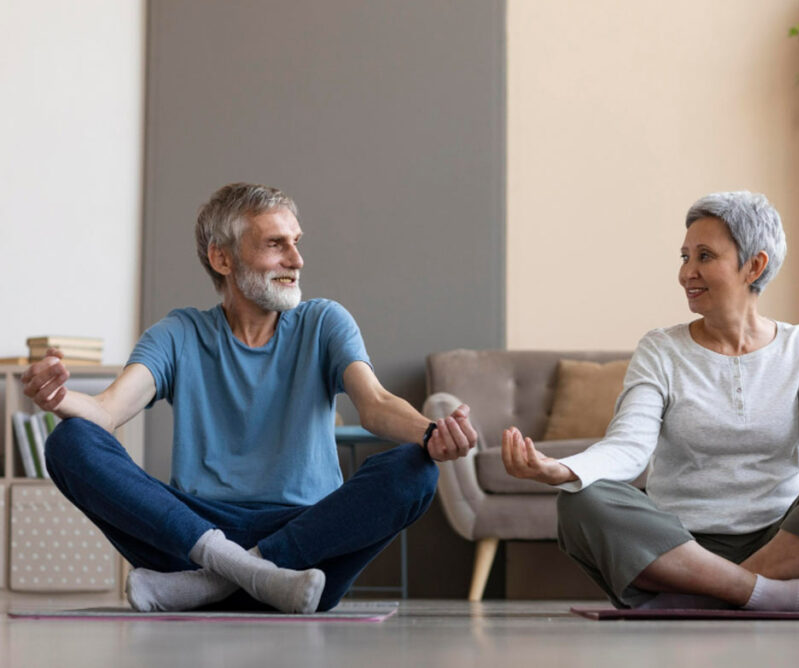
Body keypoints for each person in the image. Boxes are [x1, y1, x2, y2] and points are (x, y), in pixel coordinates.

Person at [501, 191, 799, 612]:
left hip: (784, 537)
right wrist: (563, 471)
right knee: (583, 500)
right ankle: (771, 595)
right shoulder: (661, 348)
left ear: (754, 264)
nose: (686, 272)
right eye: (684, 256)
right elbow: (628, 448)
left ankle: (704, 595)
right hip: (679, 541)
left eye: (705, 256)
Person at [22, 182, 478, 614]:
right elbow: (105, 411)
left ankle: (215, 581)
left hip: (305, 538)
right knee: (68, 442)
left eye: (296, 242)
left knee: (416, 469)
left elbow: (375, 404)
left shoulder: (323, 322)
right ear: (222, 258)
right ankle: (248, 571)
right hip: (194, 533)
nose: (296, 259)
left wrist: (431, 432)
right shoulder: (180, 333)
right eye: (275, 244)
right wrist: (59, 397)